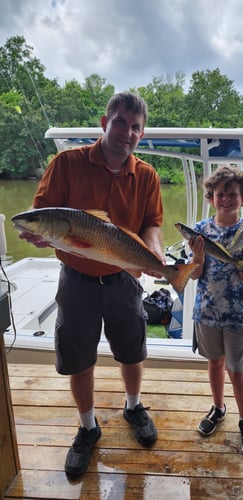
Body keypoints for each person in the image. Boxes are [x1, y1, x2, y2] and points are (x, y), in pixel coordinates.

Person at [19, 91, 164, 479]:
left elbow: (152, 223)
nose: (127, 132)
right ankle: (87, 427)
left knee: (132, 350)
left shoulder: (147, 175)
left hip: (124, 276)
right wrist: (36, 232)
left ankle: (133, 406)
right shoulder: (65, 163)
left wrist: (155, 254)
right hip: (77, 280)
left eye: (135, 127)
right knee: (79, 357)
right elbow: (40, 214)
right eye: (120, 122)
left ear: (142, 133)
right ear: (104, 123)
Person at [187, 165, 243, 454]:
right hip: (206, 311)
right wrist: (197, 255)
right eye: (220, 194)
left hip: (238, 314)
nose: (226, 199)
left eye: (232, 194)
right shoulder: (199, 230)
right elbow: (195, 274)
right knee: (214, 364)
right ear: (211, 198)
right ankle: (218, 408)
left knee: (238, 371)